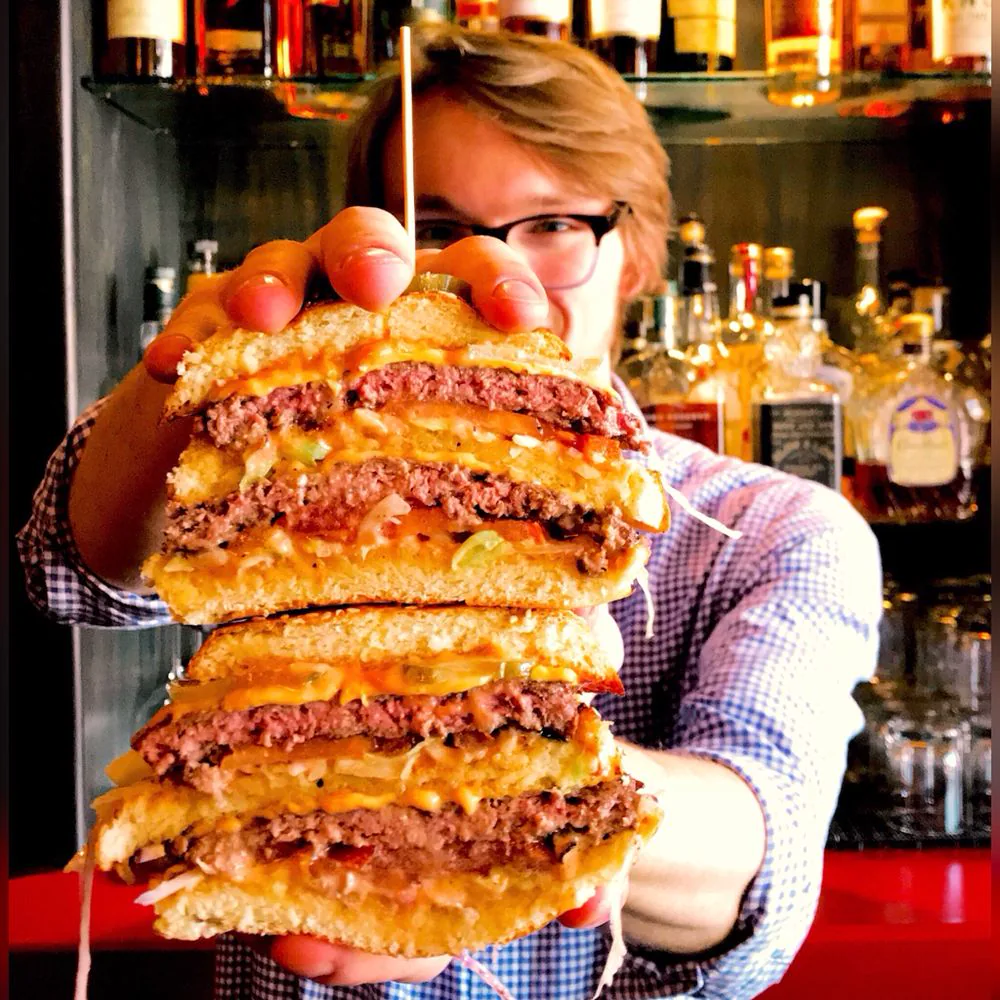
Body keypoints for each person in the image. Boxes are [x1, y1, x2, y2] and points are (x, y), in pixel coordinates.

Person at [18, 26, 882, 1000]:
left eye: (552, 222)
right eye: (431, 222)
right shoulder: (266, 446)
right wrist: (180, 382)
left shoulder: (776, 529)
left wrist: (528, 790)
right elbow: (74, 572)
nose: (485, 263)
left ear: (636, 253)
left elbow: (760, 854)